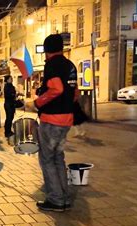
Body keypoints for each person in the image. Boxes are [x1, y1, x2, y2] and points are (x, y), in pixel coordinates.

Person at [34, 34, 78, 212]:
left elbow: (57, 89)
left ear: (46, 50)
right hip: (66, 119)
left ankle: (56, 199)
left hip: (52, 119)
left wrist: (38, 102)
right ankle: (64, 197)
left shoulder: (52, 65)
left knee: (47, 159)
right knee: (58, 158)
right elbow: (75, 93)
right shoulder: (70, 65)